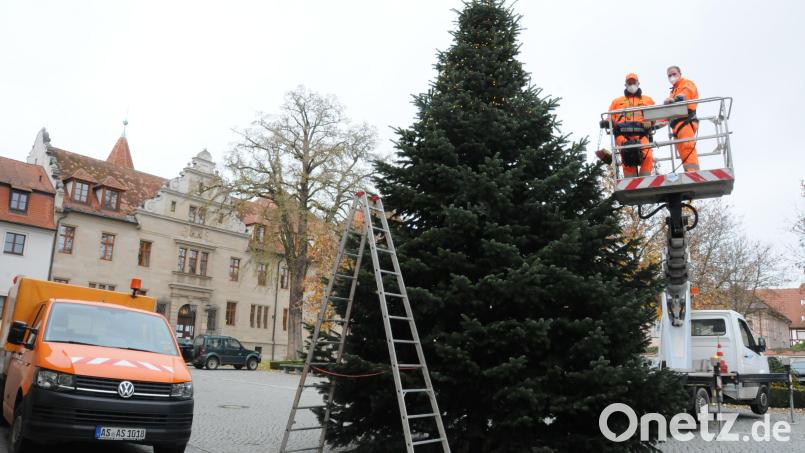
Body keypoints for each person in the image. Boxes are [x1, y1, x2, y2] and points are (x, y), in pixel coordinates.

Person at [605, 73, 655, 177]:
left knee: (648, 156)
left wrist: (650, 121)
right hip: (622, 134)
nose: (632, 84)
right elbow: (610, 117)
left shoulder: (648, 100)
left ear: (638, 83)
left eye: (634, 82)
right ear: (626, 85)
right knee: (627, 157)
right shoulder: (617, 101)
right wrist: (607, 122)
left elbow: (655, 116)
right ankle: (630, 180)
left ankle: (644, 179)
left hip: (642, 134)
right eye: (629, 82)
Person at [664, 66, 699, 172]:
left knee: (687, 147)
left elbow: (685, 96)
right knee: (682, 151)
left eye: (674, 74)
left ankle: (693, 173)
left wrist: (672, 100)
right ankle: (688, 171)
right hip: (676, 125)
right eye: (669, 75)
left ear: (680, 74)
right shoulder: (673, 91)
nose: (672, 77)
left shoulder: (687, 84)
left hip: (686, 121)